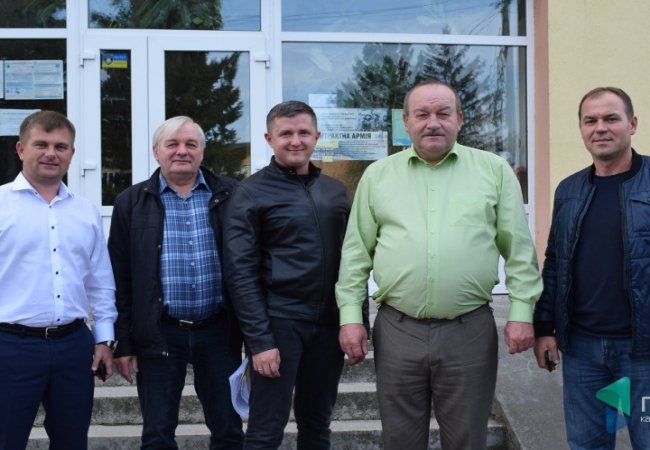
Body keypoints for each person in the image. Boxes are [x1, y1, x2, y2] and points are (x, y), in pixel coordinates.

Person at [336, 80, 543, 450]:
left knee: (467, 439)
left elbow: (518, 250)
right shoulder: (378, 176)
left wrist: (522, 312)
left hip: (469, 330)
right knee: (400, 440)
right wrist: (351, 317)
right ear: (406, 122)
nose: (433, 122)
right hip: (398, 330)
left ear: (459, 119)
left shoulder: (494, 171)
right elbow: (355, 254)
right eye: (422, 114)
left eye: (443, 113)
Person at [108, 116, 244, 449]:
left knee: (228, 430)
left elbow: (251, 263)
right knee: (157, 433)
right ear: (156, 152)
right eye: (172, 144)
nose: (182, 151)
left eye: (190, 144)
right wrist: (123, 342)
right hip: (159, 332)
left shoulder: (233, 195)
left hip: (219, 330)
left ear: (202, 151)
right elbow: (119, 278)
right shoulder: (131, 202)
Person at [223, 101, 351, 449]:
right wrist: (260, 341)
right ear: (269, 139)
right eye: (286, 134)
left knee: (318, 425)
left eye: (304, 133)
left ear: (316, 136)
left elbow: (352, 263)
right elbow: (240, 273)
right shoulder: (250, 193)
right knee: (266, 430)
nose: (296, 141)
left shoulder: (336, 192)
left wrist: (355, 322)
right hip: (279, 324)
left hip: (327, 325)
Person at [533, 87, 650, 449]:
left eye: (611, 118)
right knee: (587, 445)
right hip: (583, 351)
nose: (600, 128)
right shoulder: (569, 190)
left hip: (643, 352)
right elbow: (555, 263)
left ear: (632, 124)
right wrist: (545, 327)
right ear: (582, 128)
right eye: (591, 120)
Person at [0, 110, 117, 449]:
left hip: (74, 347)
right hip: (10, 346)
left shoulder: (86, 211)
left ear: (71, 153)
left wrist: (104, 339)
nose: (51, 153)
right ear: (21, 149)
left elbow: (100, 281)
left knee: (72, 441)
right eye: (41, 144)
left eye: (60, 146)